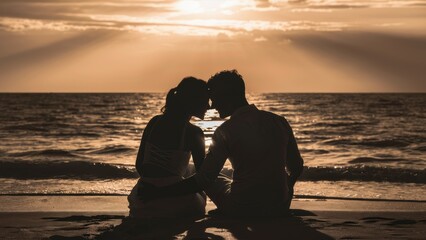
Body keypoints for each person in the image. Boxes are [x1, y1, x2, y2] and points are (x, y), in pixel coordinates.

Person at [139, 70, 304, 217]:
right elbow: (296, 167)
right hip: (280, 206)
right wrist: (287, 189)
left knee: (206, 174)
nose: (213, 105)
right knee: (205, 172)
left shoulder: (226, 131)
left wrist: (159, 192)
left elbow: (204, 180)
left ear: (228, 97)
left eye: (215, 98)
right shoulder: (279, 121)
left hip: (241, 208)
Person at [128, 77, 210, 218]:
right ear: (192, 101)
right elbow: (202, 179)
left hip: (141, 198)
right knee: (201, 198)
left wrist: (153, 185)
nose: (208, 106)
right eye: (205, 100)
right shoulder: (194, 132)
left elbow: (139, 165)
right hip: (174, 201)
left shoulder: (154, 122)